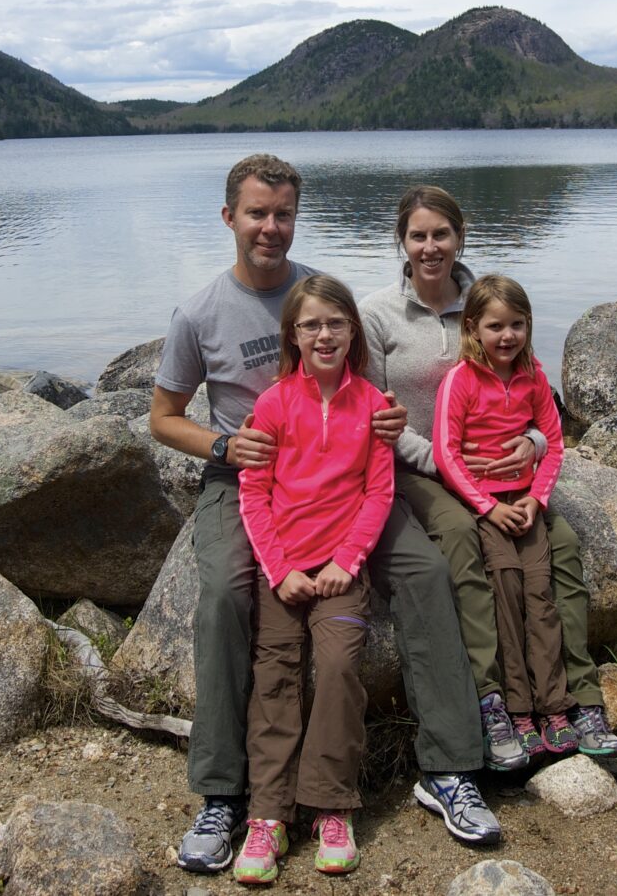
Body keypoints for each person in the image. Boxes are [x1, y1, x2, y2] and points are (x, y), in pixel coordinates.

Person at [151, 155, 502, 877]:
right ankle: (223, 792)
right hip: (246, 478)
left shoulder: (316, 296)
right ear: (230, 219)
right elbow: (162, 419)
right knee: (223, 594)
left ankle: (449, 767)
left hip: (346, 481)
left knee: (427, 570)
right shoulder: (199, 311)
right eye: (256, 213)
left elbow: (365, 384)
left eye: (282, 214)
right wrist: (224, 442)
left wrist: (393, 421)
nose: (270, 228)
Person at [361, 185, 617, 769]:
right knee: (463, 540)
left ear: (460, 236)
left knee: (563, 546)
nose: (430, 247)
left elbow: (536, 400)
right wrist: (446, 465)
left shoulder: (488, 305)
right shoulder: (377, 314)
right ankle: (494, 700)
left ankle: (578, 699)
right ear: (401, 242)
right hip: (417, 468)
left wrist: (531, 445)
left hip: (498, 470)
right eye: (418, 236)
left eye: (441, 234)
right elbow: (372, 413)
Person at [232, 274, 392, 883]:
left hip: (340, 573)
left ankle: (331, 806)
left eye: (335, 323)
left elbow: (378, 492)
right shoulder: (273, 403)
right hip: (283, 571)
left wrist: (345, 562)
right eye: (311, 325)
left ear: (353, 330)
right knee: (274, 674)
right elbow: (254, 493)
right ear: (293, 335)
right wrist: (279, 570)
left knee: (340, 667)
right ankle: (268, 816)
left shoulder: (374, 404)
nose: (323, 335)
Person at [433, 275, 573, 755]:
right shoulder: (462, 380)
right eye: (495, 326)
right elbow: (446, 454)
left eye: (517, 324)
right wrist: (488, 508)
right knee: (507, 589)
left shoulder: (534, 376)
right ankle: (517, 709)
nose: (507, 336)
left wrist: (537, 499)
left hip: (525, 501)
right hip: (486, 505)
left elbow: (553, 443)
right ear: (473, 327)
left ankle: (553, 705)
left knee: (541, 593)